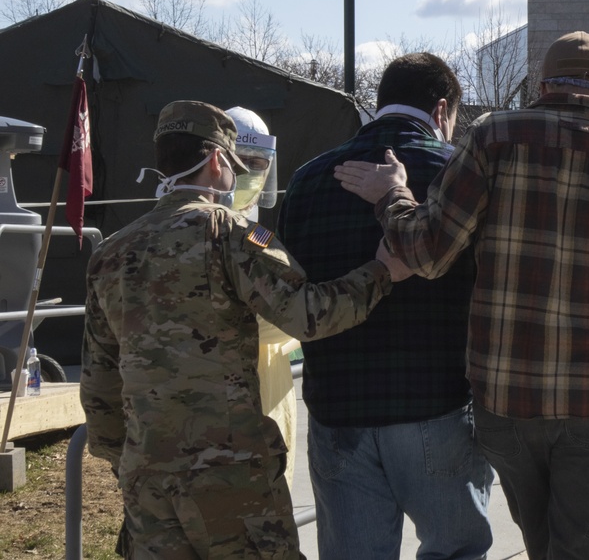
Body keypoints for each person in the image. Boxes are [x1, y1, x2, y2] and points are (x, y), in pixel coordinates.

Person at [335, 31, 589, 560]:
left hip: (506, 401)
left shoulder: (492, 137)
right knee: (587, 548)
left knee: (540, 541)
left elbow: (428, 253)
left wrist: (392, 195)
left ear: (544, 84)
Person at [80, 100, 409, 560]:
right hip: (229, 480)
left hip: (147, 478)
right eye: (234, 165)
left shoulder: (111, 252)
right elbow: (308, 314)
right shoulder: (231, 233)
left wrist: (125, 459)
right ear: (217, 161)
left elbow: (98, 381)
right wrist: (381, 272)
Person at [278, 53, 493, 560]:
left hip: (337, 407)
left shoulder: (307, 180)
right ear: (442, 110)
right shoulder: (461, 176)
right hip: (436, 402)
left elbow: (281, 273)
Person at [225, 106, 300, 489]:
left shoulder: (256, 233)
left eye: (258, 163)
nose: (250, 173)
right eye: (242, 162)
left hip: (270, 391)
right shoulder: (203, 226)